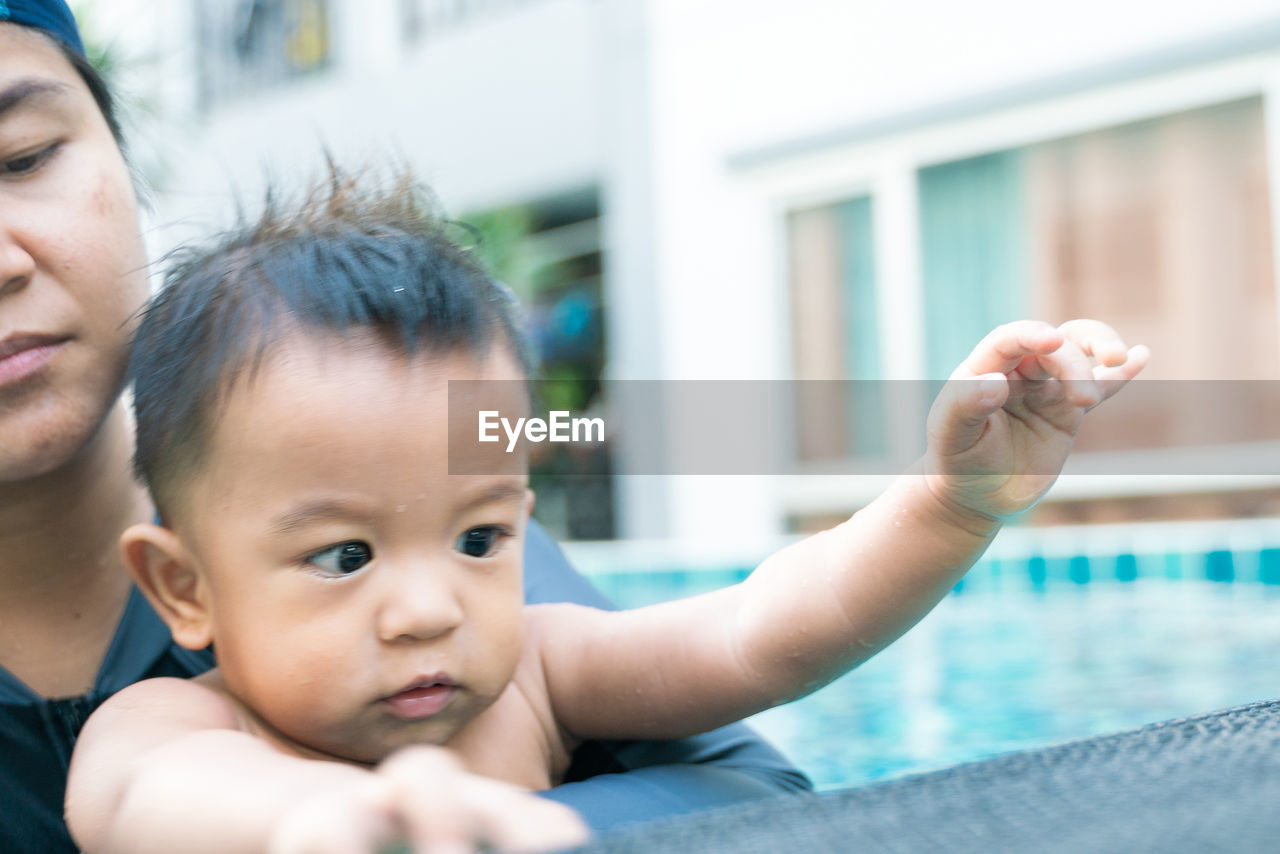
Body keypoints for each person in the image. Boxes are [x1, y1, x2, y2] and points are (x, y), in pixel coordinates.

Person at [63, 170, 1147, 853]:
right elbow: (157, 800)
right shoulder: (177, 728)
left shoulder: (538, 669)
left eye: (479, 537)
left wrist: (950, 503)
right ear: (185, 586)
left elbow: (758, 627)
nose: (428, 607)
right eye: (344, 553)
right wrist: (318, 821)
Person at [0, 4, 810, 852]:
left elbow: (759, 793)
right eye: (344, 557)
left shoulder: (423, 491)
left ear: (121, 157)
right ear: (181, 587)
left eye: (24, 157)